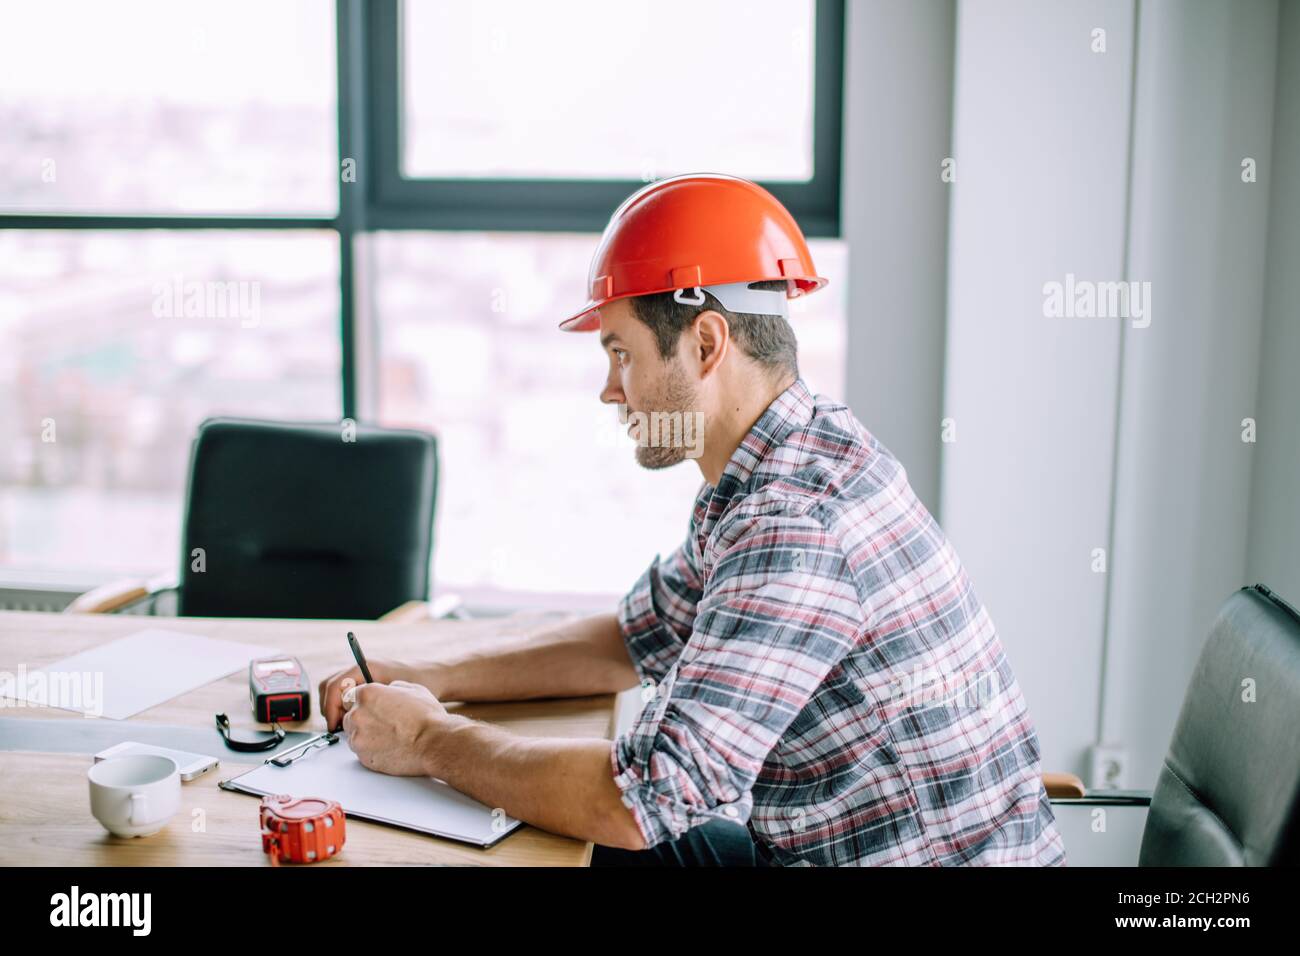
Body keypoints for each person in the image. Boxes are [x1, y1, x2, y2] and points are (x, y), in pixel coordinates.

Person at [320, 173, 1067, 866]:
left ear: (705, 343)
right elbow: (628, 639)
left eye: (621, 354)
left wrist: (431, 741)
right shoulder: (778, 463)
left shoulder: (794, 524)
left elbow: (641, 801)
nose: (611, 391)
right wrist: (424, 674)